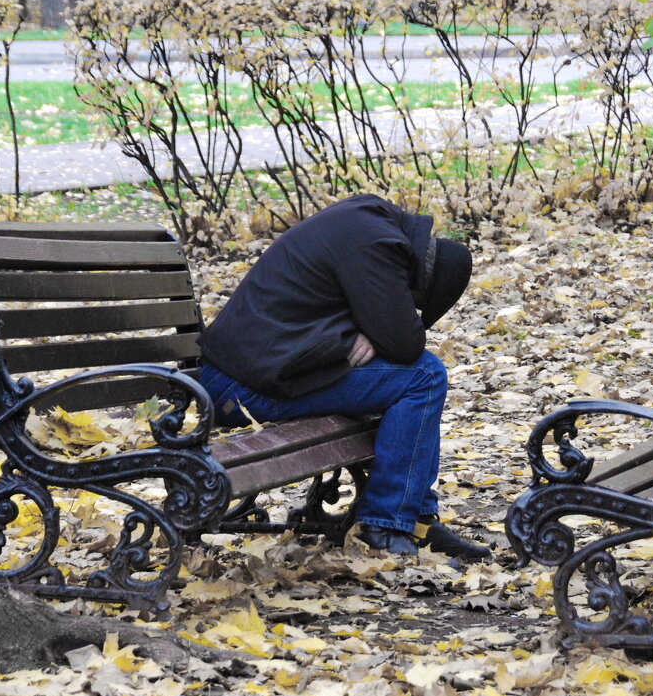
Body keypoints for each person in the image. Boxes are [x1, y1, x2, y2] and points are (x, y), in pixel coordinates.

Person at [198, 194, 491, 562]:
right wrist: (381, 325)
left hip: (263, 368)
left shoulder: (371, 218)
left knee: (417, 375)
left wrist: (373, 326)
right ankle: (385, 525)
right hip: (239, 387)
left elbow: (380, 325)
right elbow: (405, 344)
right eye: (412, 302)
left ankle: (415, 515)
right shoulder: (378, 244)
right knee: (423, 377)